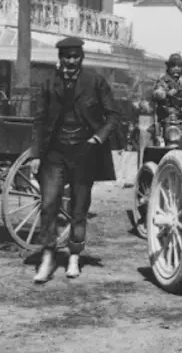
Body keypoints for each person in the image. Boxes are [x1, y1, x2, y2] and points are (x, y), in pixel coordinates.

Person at [31, 37, 120, 283]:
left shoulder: (95, 82)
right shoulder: (48, 83)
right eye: (66, 57)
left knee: (79, 209)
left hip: (84, 152)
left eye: (75, 57)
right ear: (60, 59)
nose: (71, 61)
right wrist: (35, 155)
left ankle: (73, 257)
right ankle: (47, 257)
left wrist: (97, 138)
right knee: (48, 204)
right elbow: (39, 121)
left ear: (82, 57)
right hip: (54, 153)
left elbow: (113, 115)